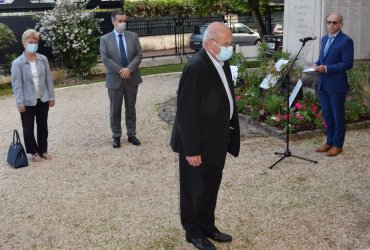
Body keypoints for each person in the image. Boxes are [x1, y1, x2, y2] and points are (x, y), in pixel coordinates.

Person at [170, 22, 240, 250]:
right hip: (198, 144)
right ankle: (193, 232)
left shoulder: (222, 62)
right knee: (193, 191)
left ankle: (208, 226)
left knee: (211, 186)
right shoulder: (196, 67)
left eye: (231, 43)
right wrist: (191, 150)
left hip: (218, 140)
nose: (231, 48)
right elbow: (186, 113)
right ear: (210, 44)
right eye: (227, 44)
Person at [100, 11, 143, 148]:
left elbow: (139, 54)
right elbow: (105, 58)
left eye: (124, 21)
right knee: (115, 109)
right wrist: (121, 70)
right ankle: (116, 136)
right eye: (120, 21)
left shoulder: (133, 36)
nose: (123, 23)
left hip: (132, 77)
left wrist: (129, 69)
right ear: (113, 22)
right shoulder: (105, 39)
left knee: (131, 108)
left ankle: (131, 134)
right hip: (114, 79)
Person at [11, 29, 55, 162]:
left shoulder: (43, 59)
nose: (33, 45)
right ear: (24, 43)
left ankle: (43, 150)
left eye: (35, 42)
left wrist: (51, 97)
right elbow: (17, 85)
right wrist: (20, 103)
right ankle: (33, 151)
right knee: (28, 129)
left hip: (43, 98)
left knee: (43, 127)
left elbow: (48, 79)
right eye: (30, 42)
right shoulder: (17, 63)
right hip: (27, 101)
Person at [313, 13, 354, 157]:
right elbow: (323, 59)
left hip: (337, 85)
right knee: (328, 116)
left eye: (334, 22)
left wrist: (327, 68)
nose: (331, 25)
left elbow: (347, 64)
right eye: (329, 22)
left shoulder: (346, 41)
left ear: (341, 24)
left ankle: (338, 144)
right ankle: (329, 141)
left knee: (338, 116)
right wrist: (317, 64)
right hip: (323, 84)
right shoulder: (324, 39)